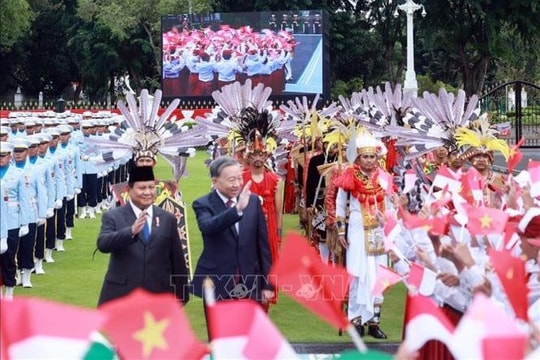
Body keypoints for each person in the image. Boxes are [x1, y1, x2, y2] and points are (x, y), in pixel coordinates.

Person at [96, 165, 189, 306]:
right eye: (142, 188)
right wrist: (131, 232)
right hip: (123, 295)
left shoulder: (167, 218)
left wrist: (181, 295)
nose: (148, 192)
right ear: (128, 190)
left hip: (159, 294)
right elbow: (103, 244)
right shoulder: (113, 216)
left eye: (151, 188)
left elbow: (177, 259)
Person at [191, 156, 274, 306]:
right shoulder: (203, 204)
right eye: (231, 180)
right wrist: (237, 210)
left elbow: (263, 246)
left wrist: (267, 284)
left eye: (239, 178)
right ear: (215, 181)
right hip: (216, 282)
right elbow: (208, 227)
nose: (237, 184)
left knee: (247, 329)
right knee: (220, 329)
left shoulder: (253, 201)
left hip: (249, 281)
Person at [333, 129, 390, 339]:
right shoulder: (349, 176)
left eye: (372, 156)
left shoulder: (383, 178)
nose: (368, 160)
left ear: (377, 157)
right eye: (365, 156)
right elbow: (340, 206)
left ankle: (374, 322)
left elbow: (390, 205)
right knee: (357, 273)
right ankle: (356, 320)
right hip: (356, 227)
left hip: (378, 230)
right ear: (358, 157)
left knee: (378, 274)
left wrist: (389, 225)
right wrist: (340, 232)